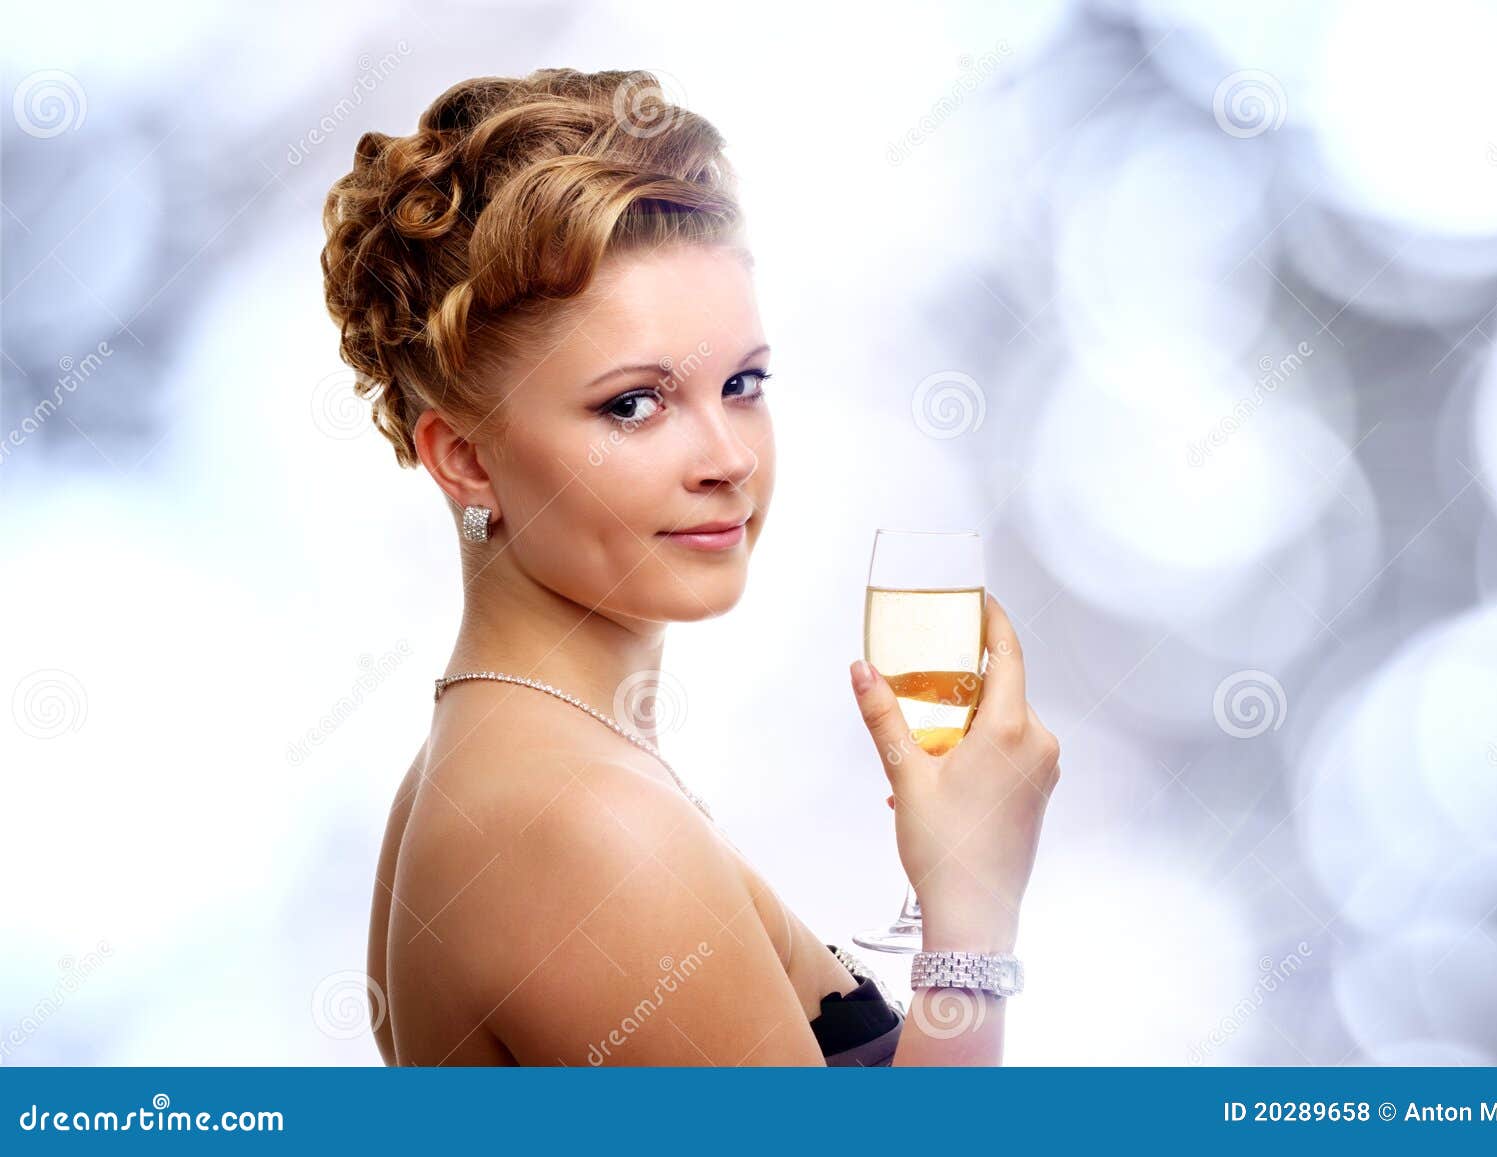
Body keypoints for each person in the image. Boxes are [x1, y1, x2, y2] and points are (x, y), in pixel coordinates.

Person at [319, 67, 1061, 1066]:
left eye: (742, 383)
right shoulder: (575, 823)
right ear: (467, 457)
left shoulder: (507, 766)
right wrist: (971, 918)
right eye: (634, 402)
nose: (728, 458)